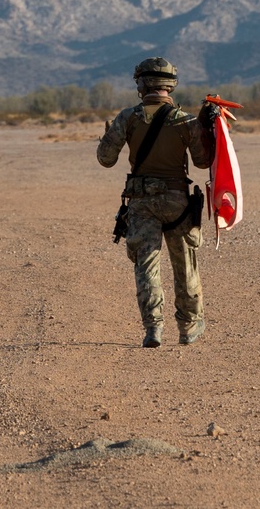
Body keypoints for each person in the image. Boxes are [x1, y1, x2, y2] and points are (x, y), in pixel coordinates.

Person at [96, 57, 217, 348]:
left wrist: (109, 134)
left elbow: (105, 159)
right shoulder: (186, 120)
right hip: (178, 202)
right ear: (171, 85)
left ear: (141, 84)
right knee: (185, 264)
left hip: (141, 201)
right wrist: (204, 129)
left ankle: (153, 330)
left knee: (146, 265)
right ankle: (188, 327)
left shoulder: (128, 118)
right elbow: (202, 162)